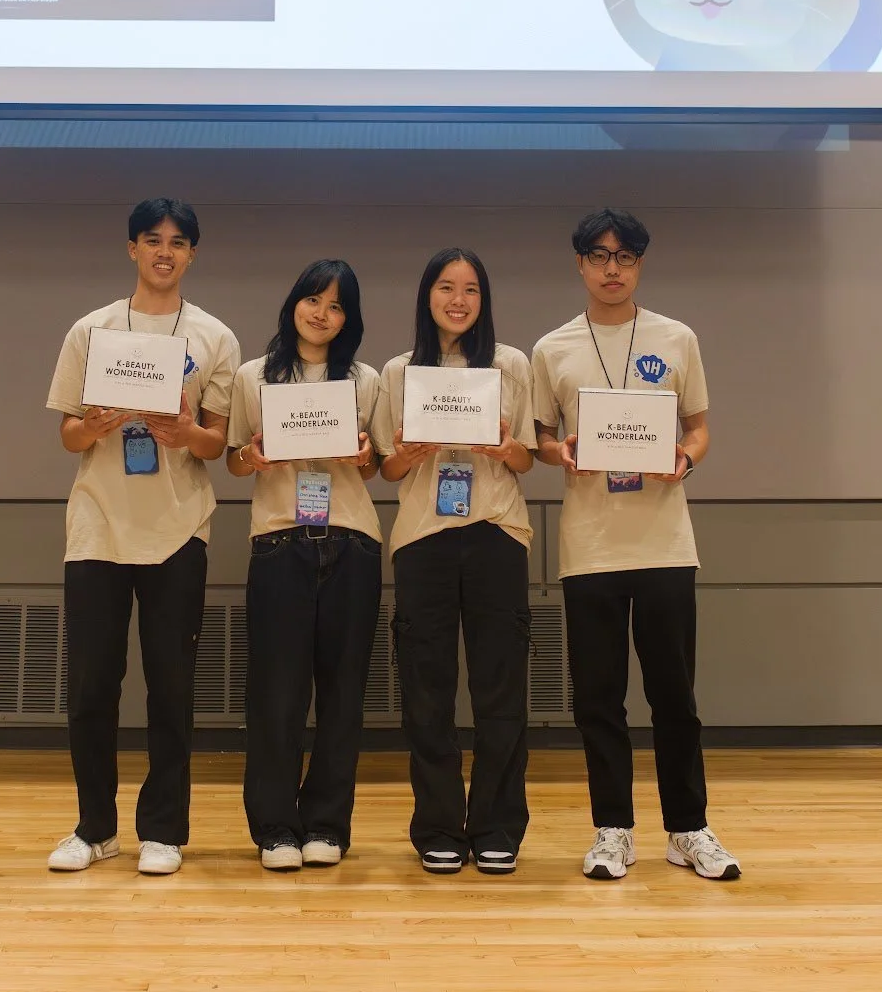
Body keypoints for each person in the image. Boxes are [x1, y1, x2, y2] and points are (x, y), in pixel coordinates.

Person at [531, 207, 740, 883]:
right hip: (589, 548)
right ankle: (612, 830)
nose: (611, 269)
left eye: (624, 257)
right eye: (598, 256)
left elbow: (700, 428)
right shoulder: (551, 347)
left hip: (665, 544)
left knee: (674, 695)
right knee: (597, 698)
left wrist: (683, 456)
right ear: (579, 264)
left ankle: (687, 828)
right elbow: (540, 436)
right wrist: (557, 450)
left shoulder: (675, 338)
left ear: (639, 264)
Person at [44, 197, 240, 877]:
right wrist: (95, 425)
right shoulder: (90, 332)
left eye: (178, 242)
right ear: (131, 248)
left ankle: (163, 829)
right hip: (98, 526)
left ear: (192, 255)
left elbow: (216, 442)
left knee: (171, 686)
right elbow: (68, 433)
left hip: (177, 530)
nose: (164, 252)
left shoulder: (214, 337)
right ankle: (93, 827)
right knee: (92, 686)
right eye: (152, 240)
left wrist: (187, 434)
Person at [372, 248, 535, 876]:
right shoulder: (398, 371)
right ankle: (438, 827)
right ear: (427, 297)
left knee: (501, 691)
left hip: (497, 532)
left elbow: (526, 461)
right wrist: (411, 453)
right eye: (446, 287)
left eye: (470, 289)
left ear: (484, 299)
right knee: (427, 691)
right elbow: (386, 467)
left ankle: (497, 826)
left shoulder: (510, 365)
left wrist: (504, 443)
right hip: (422, 537)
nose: (458, 300)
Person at [227, 260, 383, 872]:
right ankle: (275, 827)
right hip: (279, 539)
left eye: (337, 306)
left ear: (350, 319)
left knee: (343, 694)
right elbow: (237, 461)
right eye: (313, 299)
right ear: (293, 303)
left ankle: (326, 823)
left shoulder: (366, 380)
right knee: (276, 693)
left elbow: (374, 465)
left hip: (352, 539)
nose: (322, 313)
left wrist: (367, 454)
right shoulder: (253, 376)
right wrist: (256, 454)